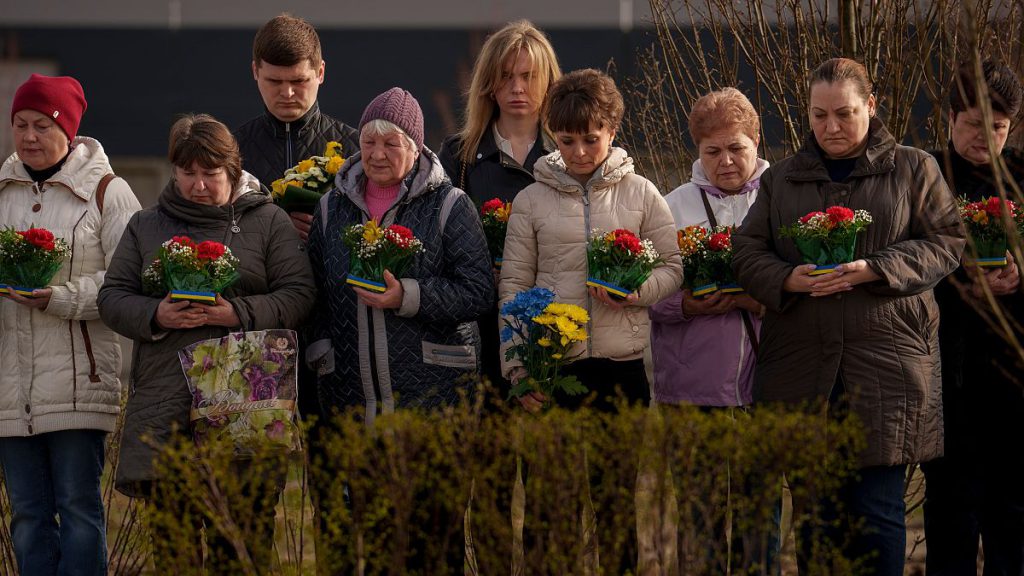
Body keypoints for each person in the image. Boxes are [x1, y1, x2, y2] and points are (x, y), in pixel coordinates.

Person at [732, 57, 965, 575]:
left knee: (878, 514)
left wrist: (874, 269)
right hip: (801, 368)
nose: (831, 127)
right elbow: (746, 252)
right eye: (819, 115)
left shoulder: (913, 167)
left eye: (845, 113)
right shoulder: (783, 179)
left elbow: (947, 243)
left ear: (872, 106)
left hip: (886, 368)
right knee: (816, 517)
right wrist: (788, 279)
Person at [97, 113, 315, 571]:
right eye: (187, 173)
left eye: (210, 174)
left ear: (233, 171)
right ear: (174, 170)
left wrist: (238, 312)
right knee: (174, 551)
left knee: (240, 550)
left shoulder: (268, 221)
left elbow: (300, 295)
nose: (198, 185)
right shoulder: (146, 225)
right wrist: (156, 313)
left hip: (244, 410)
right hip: (165, 408)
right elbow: (112, 298)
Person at [0, 73, 140, 576]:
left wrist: (59, 298)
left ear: (69, 129)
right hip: (10, 391)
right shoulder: (2, 191)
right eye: (20, 124)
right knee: (28, 517)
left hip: (81, 385)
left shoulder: (108, 192)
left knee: (80, 511)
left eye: (42, 124)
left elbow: (129, 283)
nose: (29, 136)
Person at [647, 87, 776, 573]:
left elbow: (802, 287)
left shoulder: (778, 199)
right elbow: (645, 294)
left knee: (759, 526)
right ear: (696, 150)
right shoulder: (670, 207)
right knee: (699, 524)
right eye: (712, 151)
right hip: (691, 393)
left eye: (736, 148)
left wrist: (760, 299)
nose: (725, 161)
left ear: (757, 142)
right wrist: (686, 305)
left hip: (763, 388)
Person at [500, 68, 682, 410]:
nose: (579, 152)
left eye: (591, 139)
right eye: (567, 141)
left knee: (618, 466)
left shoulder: (642, 192)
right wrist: (518, 369)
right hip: (551, 364)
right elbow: (513, 287)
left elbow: (672, 267)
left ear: (611, 132)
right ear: (554, 136)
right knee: (557, 466)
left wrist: (635, 293)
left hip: (623, 368)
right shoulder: (530, 200)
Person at [308, 86, 493, 420]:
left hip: (436, 393)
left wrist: (408, 296)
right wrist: (321, 351)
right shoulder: (330, 208)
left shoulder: (450, 205)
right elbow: (315, 292)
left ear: (415, 148)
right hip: (349, 393)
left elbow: (478, 292)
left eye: (391, 144)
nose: (377, 154)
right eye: (369, 143)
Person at [922, 60, 1024, 576]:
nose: (985, 136)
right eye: (973, 124)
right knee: (950, 513)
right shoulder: (926, 176)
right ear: (950, 118)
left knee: (1014, 514)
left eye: (999, 128)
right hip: (946, 372)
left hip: (1014, 375)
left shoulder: (1022, 177)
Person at [438, 19, 561, 399]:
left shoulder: (569, 154)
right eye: (506, 76)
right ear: (489, 82)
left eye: (528, 76)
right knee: (492, 452)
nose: (517, 87)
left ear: (549, 81)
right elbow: (438, 239)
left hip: (557, 325)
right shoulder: (458, 156)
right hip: (481, 328)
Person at [234, 13, 359, 242]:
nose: (287, 93)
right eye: (274, 81)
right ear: (255, 72)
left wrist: (331, 228)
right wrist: (273, 225)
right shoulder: (230, 151)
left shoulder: (358, 149)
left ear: (320, 73)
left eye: (298, 81)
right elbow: (211, 225)